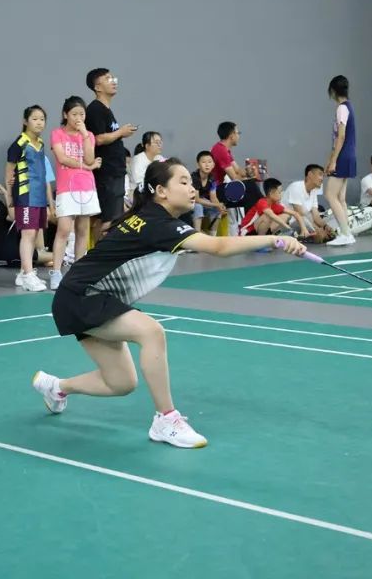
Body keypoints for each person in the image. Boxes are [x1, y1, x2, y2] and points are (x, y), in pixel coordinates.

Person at [31, 158, 306, 449]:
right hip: (81, 297)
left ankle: (56, 387)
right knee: (152, 332)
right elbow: (218, 246)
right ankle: (166, 419)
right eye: (183, 182)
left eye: (191, 182)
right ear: (161, 191)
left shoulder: (153, 217)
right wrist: (274, 240)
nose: (192, 188)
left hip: (84, 296)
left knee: (121, 383)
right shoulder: (158, 223)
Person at [49, 96, 101, 290]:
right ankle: (56, 272)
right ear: (65, 115)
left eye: (82, 114)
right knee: (63, 229)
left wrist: (85, 134)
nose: (79, 118)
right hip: (66, 188)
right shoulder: (57, 134)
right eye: (74, 114)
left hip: (87, 188)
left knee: (82, 230)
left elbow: (90, 158)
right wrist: (87, 167)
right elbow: (62, 158)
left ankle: (77, 274)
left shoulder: (89, 135)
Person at [84, 68, 137, 241]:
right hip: (107, 173)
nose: (113, 81)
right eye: (108, 79)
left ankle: (100, 252)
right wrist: (121, 132)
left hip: (115, 172)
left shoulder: (106, 110)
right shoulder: (95, 109)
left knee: (108, 218)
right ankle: (104, 252)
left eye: (113, 78)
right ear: (98, 87)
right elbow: (98, 139)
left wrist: (120, 133)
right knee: (109, 219)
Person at [5, 105, 50, 291]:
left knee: (34, 234)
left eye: (42, 119)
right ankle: (29, 275)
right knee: (28, 234)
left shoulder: (41, 144)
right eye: (35, 119)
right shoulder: (19, 144)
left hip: (39, 196)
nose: (39, 123)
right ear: (25, 121)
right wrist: (10, 199)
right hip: (25, 195)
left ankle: (24, 273)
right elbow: (9, 172)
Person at [324, 75, 357, 246]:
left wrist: (334, 160)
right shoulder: (349, 106)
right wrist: (330, 159)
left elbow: (341, 136)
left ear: (332, 91)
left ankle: (345, 233)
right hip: (347, 155)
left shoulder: (342, 108)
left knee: (330, 194)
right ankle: (348, 232)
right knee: (340, 197)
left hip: (343, 156)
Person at [282, 164, 334, 242]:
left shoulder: (314, 191)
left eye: (323, 176)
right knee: (308, 220)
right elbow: (299, 214)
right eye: (320, 174)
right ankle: (309, 236)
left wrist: (326, 227)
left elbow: (316, 216)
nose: (322, 179)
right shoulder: (296, 187)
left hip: (305, 221)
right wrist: (317, 229)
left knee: (329, 222)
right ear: (310, 174)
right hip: (291, 223)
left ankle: (313, 236)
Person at [191, 151, 225, 233]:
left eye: (209, 162)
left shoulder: (212, 178)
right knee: (198, 207)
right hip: (190, 202)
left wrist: (220, 207)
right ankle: (197, 232)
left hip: (201, 201)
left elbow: (213, 197)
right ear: (198, 164)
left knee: (217, 210)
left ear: (213, 165)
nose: (207, 165)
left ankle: (212, 234)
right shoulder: (194, 177)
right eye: (203, 162)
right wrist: (216, 204)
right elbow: (196, 199)